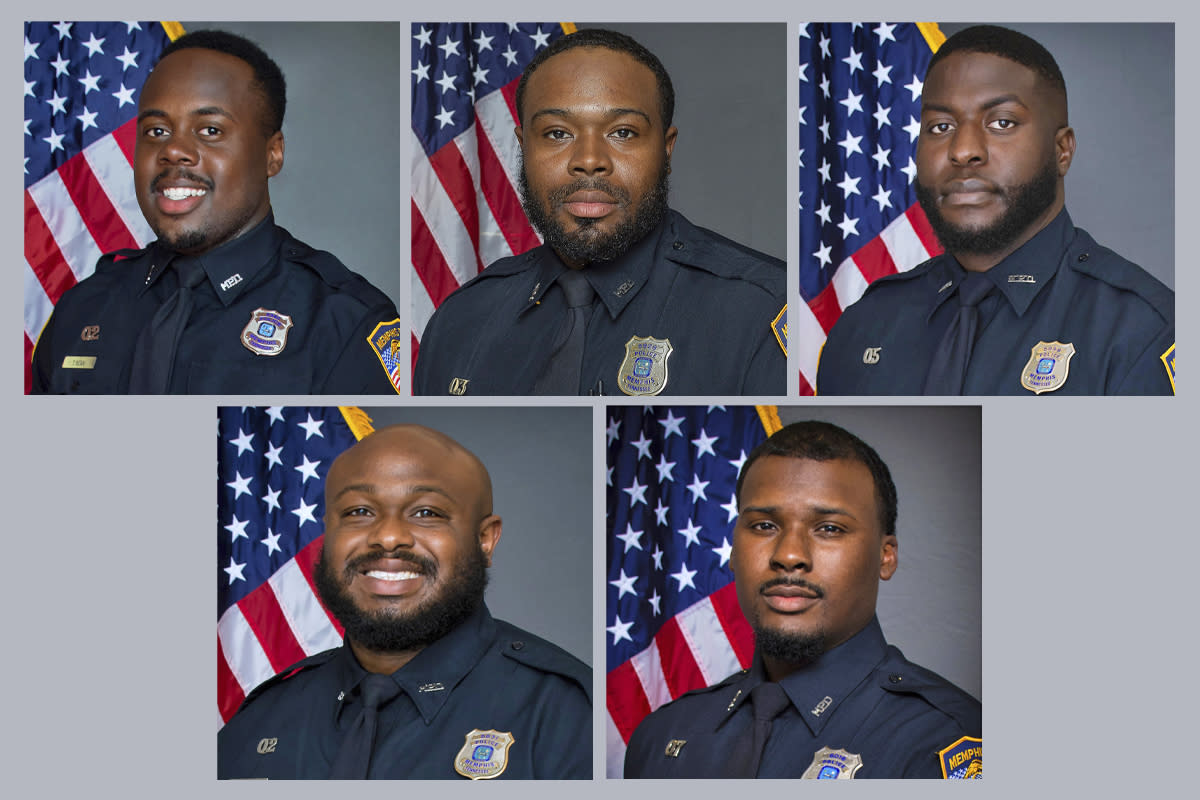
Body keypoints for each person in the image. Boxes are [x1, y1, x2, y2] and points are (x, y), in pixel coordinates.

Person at [413, 28, 786, 396]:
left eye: (622, 132)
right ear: (523, 149)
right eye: (557, 133)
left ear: (666, 150)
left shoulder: (761, 309)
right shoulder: (460, 321)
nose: (589, 160)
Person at [31, 30, 402, 394]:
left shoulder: (344, 323)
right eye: (156, 131)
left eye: (210, 129)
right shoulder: (81, 310)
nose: (174, 150)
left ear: (272, 154)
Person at [816, 25, 1174, 396]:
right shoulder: (863, 326)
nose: (963, 150)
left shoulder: (1143, 331)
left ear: (1062, 151)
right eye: (941, 126)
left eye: (1002, 122)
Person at [218, 425, 591, 779]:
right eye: (359, 512)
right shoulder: (257, 722)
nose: (389, 537)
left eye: (426, 513)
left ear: (485, 540)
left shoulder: (566, 718)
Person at [624, 421, 980, 779]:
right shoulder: (661, 739)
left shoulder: (943, 741)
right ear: (732, 549)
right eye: (764, 525)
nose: (789, 555)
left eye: (829, 529)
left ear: (885, 556)